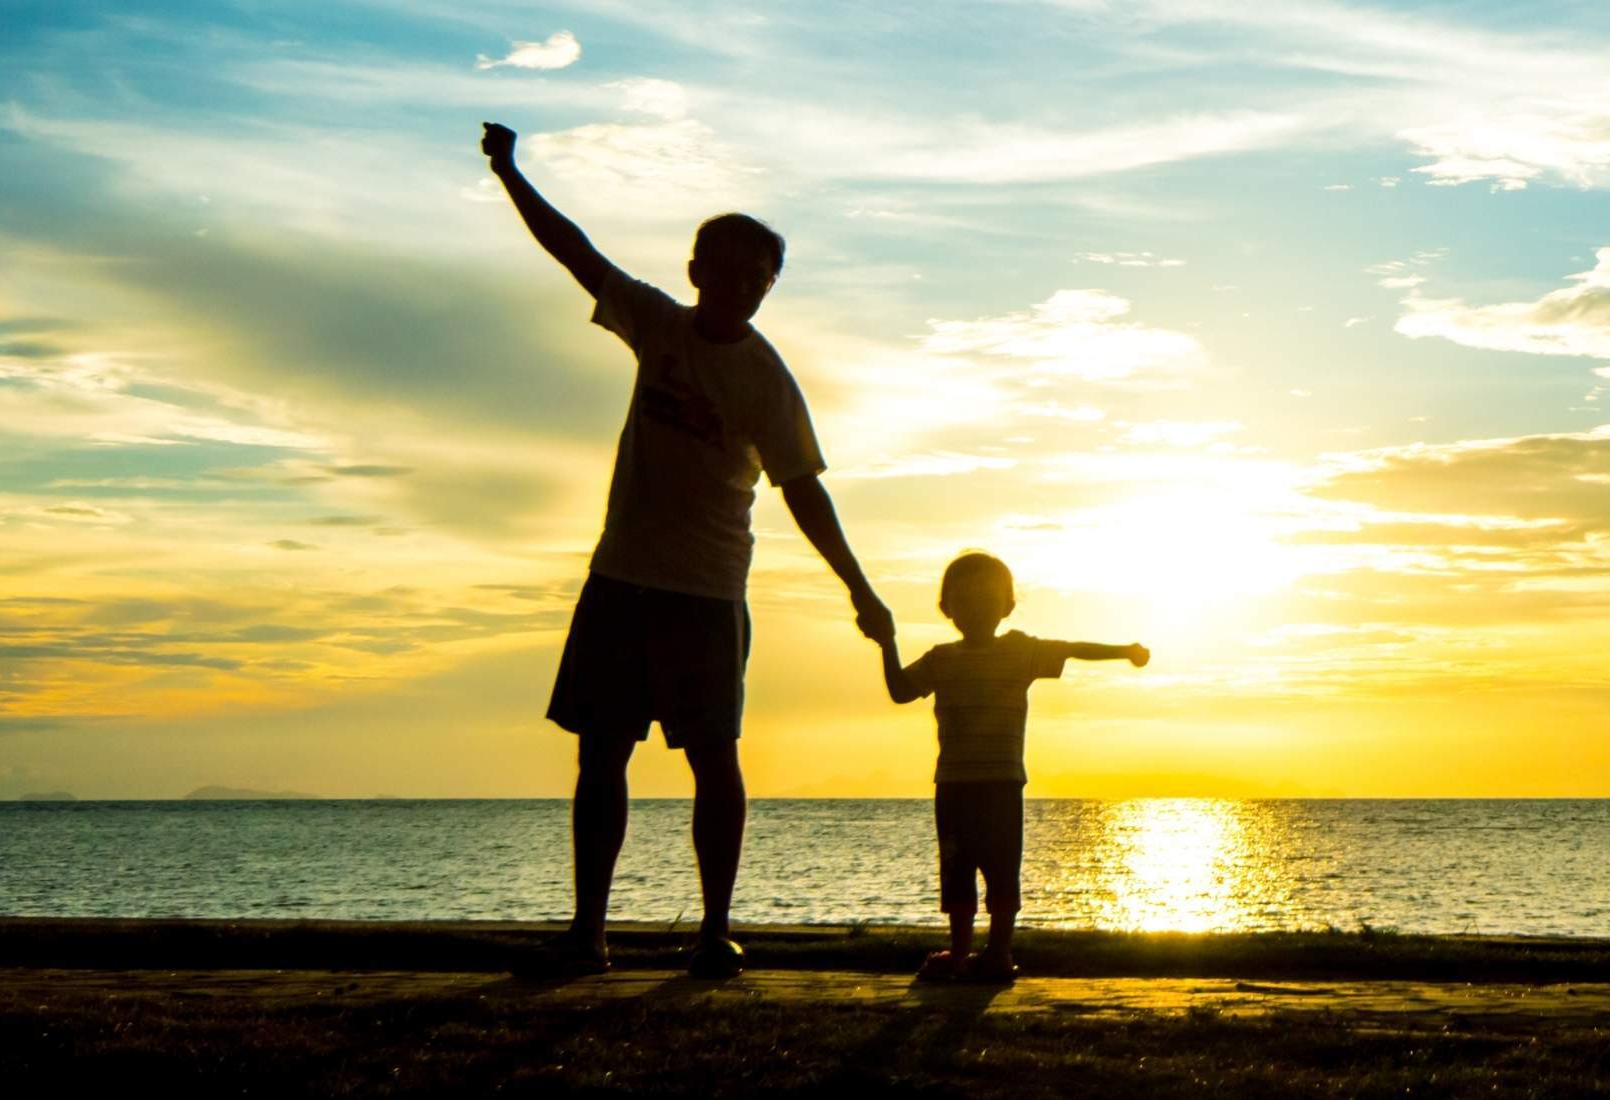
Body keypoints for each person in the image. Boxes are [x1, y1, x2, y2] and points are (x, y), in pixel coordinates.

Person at [482, 121, 894, 979]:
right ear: (696, 268)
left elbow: (804, 490)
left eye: (762, 278)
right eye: (731, 269)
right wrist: (511, 173)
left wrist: (859, 585)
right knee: (601, 751)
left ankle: (714, 931)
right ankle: (588, 932)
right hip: (622, 581)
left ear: (769, 288)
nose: (744, 287)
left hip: (707, 594)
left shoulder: (768, 382)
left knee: (714, 758)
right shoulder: (658, 325)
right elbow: (575, 253)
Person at [879, 551, 1149, 983]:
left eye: (987, 598)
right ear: (947, 608)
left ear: (1006, 606)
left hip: (1002, 784)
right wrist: (886, 643)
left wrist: (1125, 651)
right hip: (953, 786)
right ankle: (962, 954)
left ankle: (999, 952)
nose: (976, 607)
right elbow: (899, 691)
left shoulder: (1020, 651)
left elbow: (1075, 649)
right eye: (964, 599)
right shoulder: (940, 659)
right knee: (958, 872)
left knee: (1003, 871)